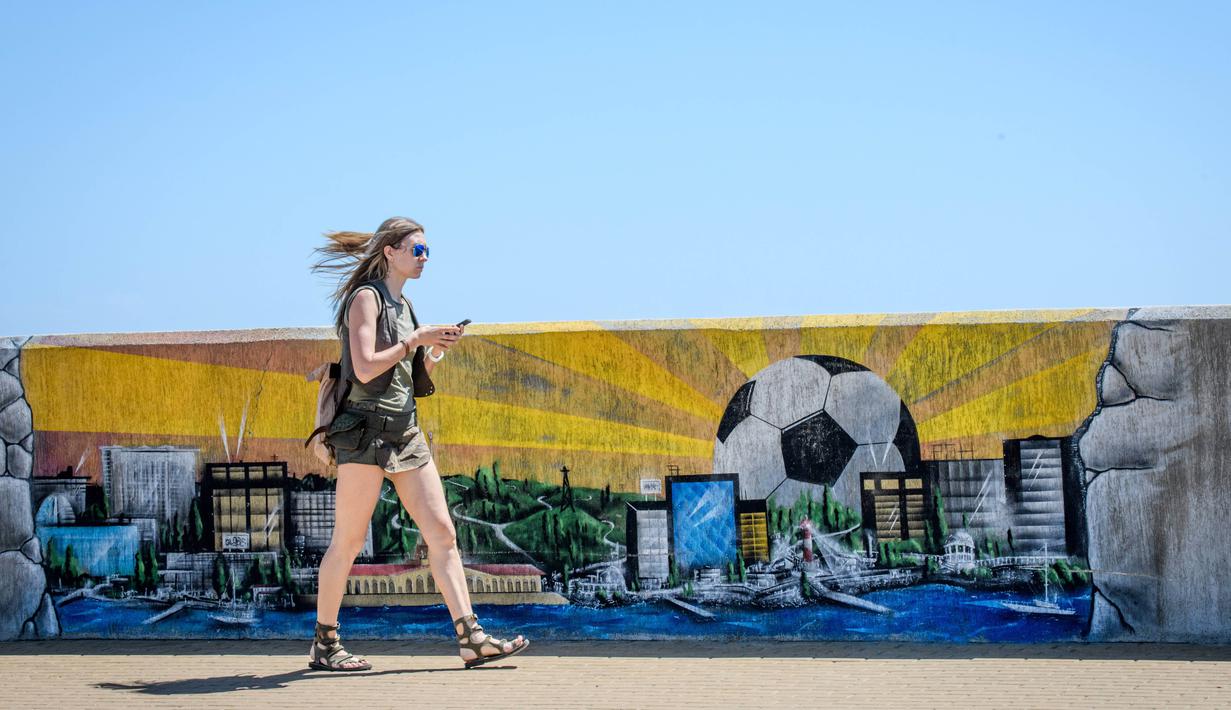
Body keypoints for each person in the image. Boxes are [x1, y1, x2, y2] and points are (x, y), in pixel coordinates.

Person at [307, 216, 529, 671]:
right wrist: (414, 340)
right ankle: (325, 644)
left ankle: (471, 638)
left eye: (427, 251)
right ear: (390, 252)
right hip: (365, 434)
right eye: (417, 249)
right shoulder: (366, 299)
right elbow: (365, 368)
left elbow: (407, 376)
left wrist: (435, 349)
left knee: (442, 534)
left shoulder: (405, 305)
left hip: (406, 432)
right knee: (348, 541)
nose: (425, 258)